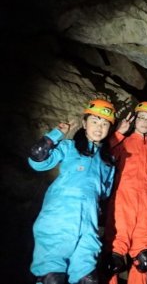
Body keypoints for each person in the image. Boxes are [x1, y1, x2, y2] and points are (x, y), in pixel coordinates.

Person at [28, 98, 116, 284]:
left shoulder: (108, 162)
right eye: (94, 121)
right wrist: (56, 133)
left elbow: (105, 194)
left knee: (88, 279)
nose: (99, 127)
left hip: (88, 225)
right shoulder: (69, 147)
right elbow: (38, 159)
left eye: (104, 123)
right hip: (59, 219)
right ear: (84, 123)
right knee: (52, 278)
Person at [104, 101, 147, 284]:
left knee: (143, 260)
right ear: (135, 119)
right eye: (142, 118)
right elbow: (103, 156)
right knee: (113, 260)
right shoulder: (122, 142)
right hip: (122, 205)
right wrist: (118, 133)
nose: (145, 122)